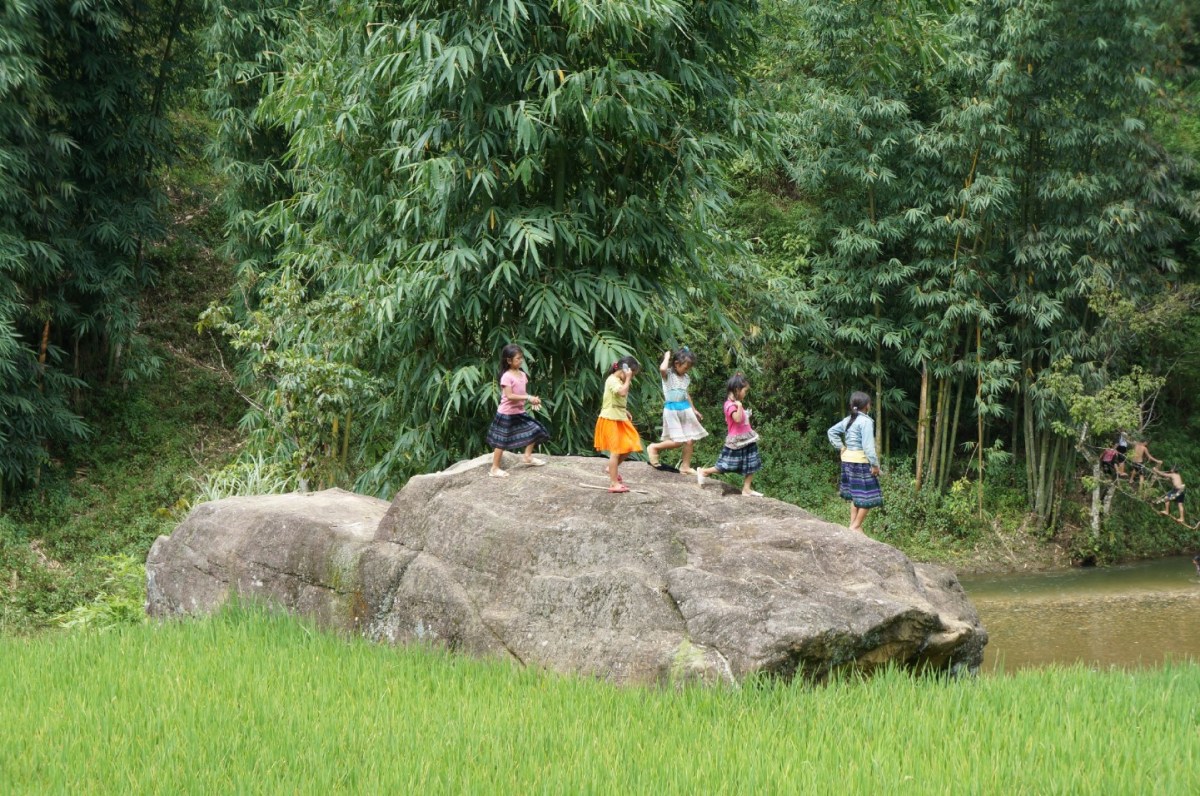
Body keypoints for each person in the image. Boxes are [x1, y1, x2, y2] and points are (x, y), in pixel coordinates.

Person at [486, 344, 550, 477]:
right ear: (509, 360)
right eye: (518, 359)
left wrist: (532, 401)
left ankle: (527, 457)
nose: (521, 361)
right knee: (501, 441)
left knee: (534, 429)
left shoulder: (522, 375)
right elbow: (510, 396)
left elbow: (522, 392)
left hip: (519, 411)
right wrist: (528, 397)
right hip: (506, 413)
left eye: (521, 358)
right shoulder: (506, 376)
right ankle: (494, 468)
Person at [696, 373, 763, 497]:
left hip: (748, 438)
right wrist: (739, 407)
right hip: (736, 441)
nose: (745, 394)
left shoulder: (736, 403)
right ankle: (704, 471)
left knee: (752, 462)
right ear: (737, 390)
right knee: (726, 465)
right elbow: (737, 419)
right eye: (744, 391)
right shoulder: (729, 405)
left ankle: (746, 489)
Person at [827, 391, 882, 533]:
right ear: (867, 406)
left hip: (847, 462)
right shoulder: (866, 422)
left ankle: (852, 526)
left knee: (856, 495)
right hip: (861, 462)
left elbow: (831, 431)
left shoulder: (848, 420)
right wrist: (875, 465)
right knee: (869, 495)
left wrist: (842, 447)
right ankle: (855, 526)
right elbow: (868, 448)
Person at [646, 348, 707, 474]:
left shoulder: (686, 378)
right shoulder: (668, 375)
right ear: (676, 364)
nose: (687, 370)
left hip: (685, 409)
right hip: (672, 409)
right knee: (677, 442)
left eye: (689, 368)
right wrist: (667, 356)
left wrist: (694, 409)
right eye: (685, 367)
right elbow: (662, 369)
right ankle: (654, 447)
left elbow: (685, 394)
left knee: (690, 439)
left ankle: (685, 466)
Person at [593, 356, 644, 493]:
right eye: (631, 374)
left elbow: (614, 399)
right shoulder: (612, 380)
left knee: (630, 445)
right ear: (624, 370)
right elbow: (621, 392)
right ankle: (613, 483)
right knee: (615, 451)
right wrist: (627, 379)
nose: (631, 378)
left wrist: (624, 410)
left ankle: (611, 468)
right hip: (610, 419)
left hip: (620, 418)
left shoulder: (620, 380)